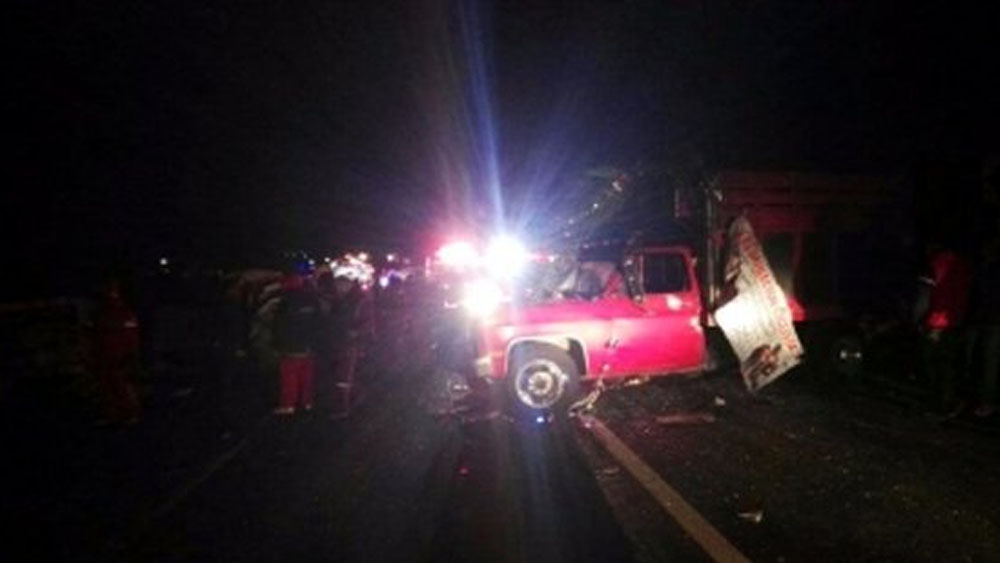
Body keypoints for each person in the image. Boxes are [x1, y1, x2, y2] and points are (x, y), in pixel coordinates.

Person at [916, 243, 973, 415]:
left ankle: (939, 405)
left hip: (939, 322)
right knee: (946, 365)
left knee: (937, 365)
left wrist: (930, 324)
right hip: (953, 321)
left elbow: (933, 296)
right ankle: (944, 403)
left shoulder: (938, 264)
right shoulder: (962, 265)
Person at [92, 280, 141, 425]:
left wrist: (131, 353)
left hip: (120, 355)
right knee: (107, 385)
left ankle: (129, 413)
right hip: (106, 355)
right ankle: (112, 414)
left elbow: (132, 335)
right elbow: (98, 335)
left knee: (122, 385)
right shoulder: (101, 313)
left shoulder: (123, 313)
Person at [272, 273, 319, 415]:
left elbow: (279, 325)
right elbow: (319, 323)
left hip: (291, 346)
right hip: (309, 346)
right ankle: (307, 402)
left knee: (289, 377)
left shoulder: (285, 301)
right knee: (307, 376)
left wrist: (277, 344)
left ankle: (288, 405)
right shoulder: (311, 299)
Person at [965, 236, 1000, 418]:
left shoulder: (991, 269)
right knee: (974, 359)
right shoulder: (982, 267)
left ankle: (987, 401)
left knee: (990, 362)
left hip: (993, 320)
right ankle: (972, 397)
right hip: (978, 318)